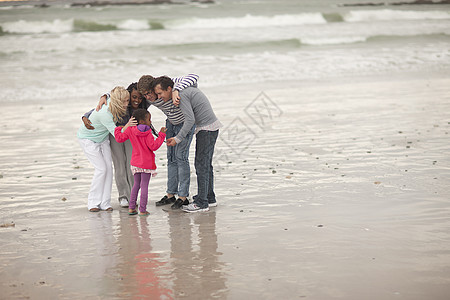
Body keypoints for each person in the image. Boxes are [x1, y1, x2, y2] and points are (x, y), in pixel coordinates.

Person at [153, 76, 222, 213]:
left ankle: (202, 203)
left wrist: (177, 138)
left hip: (207, 129)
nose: (159, 97)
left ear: (169, 89)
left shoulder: (181, 96)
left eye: (160, 93)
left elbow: (189, 121)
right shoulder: (181, 90)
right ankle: (209, 198)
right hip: (210, 127)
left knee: (201, 165)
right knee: (205, 165)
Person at [82, 82, 157, 208]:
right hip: (114, 134)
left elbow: (153, 93)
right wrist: (86, 116)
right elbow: (96, 111)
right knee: (119, 165)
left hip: (132, 136)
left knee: (131, 165)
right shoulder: (121, 102)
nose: (136, 100)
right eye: (134, 97)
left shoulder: (143, 103)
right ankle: (123, 196)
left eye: (139, 97)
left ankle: (132, 196)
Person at [137, 74, 198, 210]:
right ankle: (171, 194)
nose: (147, 97)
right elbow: (128, 92)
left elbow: (193, 77)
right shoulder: (148, 98)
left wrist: (176, 90)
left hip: (185, 124)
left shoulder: (165, 85)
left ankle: (183, 197)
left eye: (148, 93)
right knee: (171, 159)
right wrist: (104, 96)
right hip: (170, 123)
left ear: (154, 88)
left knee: (181, 158)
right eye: (144, 95)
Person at [77, 86, 136, 212]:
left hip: (103, 139)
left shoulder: (112, 102)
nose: (127, 103)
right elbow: (119, 137)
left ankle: (105, 203)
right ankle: (92, 203)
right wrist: (128, 125)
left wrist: (104, 95)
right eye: (125, 101)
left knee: (108, 169)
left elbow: (110, 94)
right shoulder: (106, 114)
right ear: (118, 102)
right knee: (101, 169)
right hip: (88, 139)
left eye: (127, 100)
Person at [114, 109, 166, 216]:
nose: (150, 122)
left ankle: (132, 208)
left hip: (135, 163)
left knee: (136, 185)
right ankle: (142, 209)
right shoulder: (147, 133)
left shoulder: (130, 130)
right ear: (142, 121)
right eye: (149, 119)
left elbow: (119, 138)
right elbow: (154, 146)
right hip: (146, 164)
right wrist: (161, 135)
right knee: (144, 186)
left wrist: (119, 128)